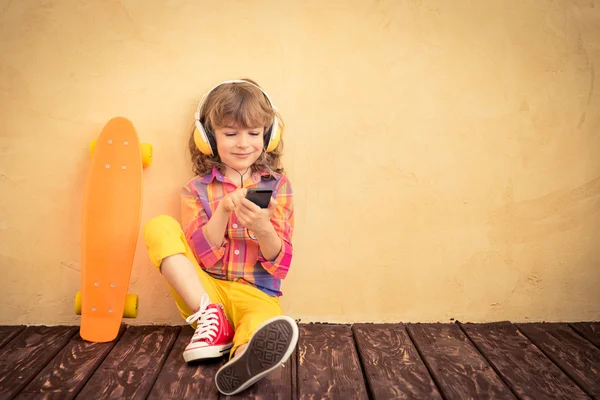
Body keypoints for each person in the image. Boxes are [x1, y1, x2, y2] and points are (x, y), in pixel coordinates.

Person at [142, 79, 297, 395]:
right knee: (158, 226)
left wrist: (264, 227)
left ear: (268, 136)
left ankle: (242, 360)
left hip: (256, 294)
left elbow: (279, 265)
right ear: (208, 138)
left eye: (254, 133)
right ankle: (214, 321)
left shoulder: (278, 187)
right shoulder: (194, 190)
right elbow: (200, 257)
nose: (243, 143)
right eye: (230, 134)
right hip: (204, 291)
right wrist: (224, 211)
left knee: (263, 322)